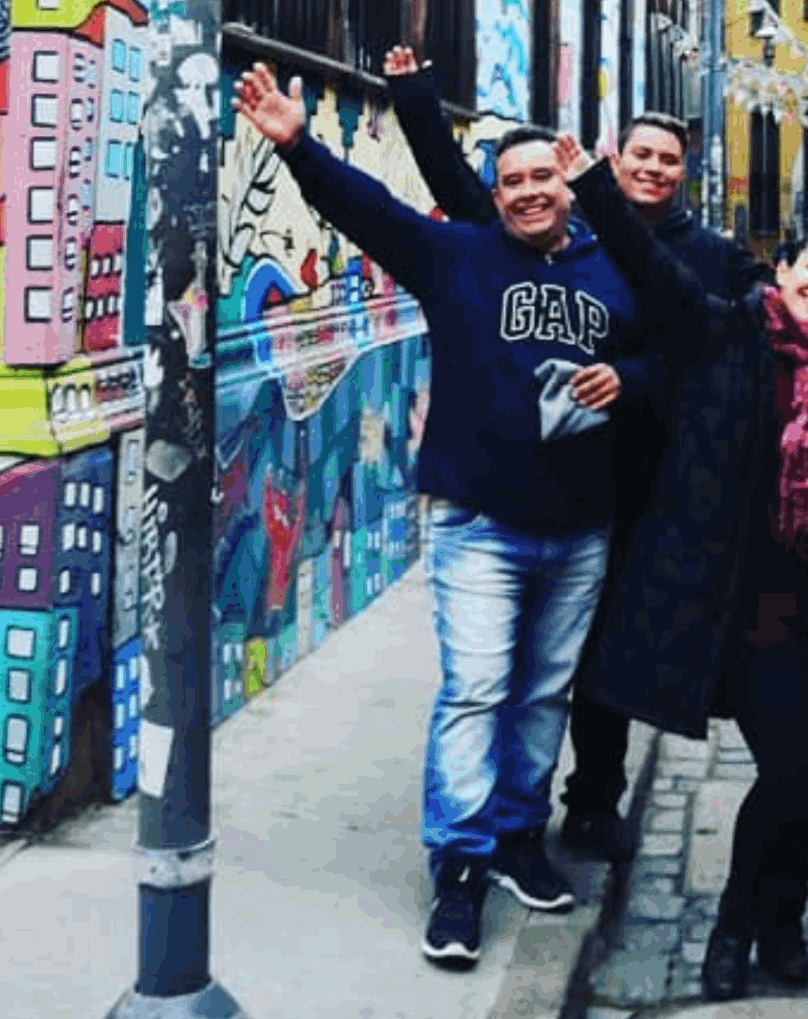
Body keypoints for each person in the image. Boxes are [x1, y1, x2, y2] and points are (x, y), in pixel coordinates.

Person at [233, 64, 654, 973]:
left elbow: (671, 347)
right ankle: (459, 867)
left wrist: (629, 378)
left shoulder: (614, 266)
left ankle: (518, 837)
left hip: (582, 525)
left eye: (544, 177)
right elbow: (374, 211)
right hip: (480, 524)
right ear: (494, 196)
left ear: (569, 186)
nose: (530, 192)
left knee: (544, 693)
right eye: (513, 182)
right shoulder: (458, 255)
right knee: (476, 689)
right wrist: (300, 146)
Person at [557, 132, 808, 1002]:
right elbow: (654, 271)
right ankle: (736, 928)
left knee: (805, 775)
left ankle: (781, 924)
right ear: (782, 273)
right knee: (787, 769)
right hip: (743, 601)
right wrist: (594, 186)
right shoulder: (726, 331)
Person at [380, 50, 760, 864]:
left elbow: (716, 341)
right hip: (563, 476)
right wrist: (415, 101)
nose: (654, 168)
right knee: (515, 667)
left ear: (685, 173)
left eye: (669, 159)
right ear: (610, 163)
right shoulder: (566, 231)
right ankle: (509, 816)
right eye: (641, 155)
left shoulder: (708, 254)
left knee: (599, 656)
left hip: (652, 480)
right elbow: (464, 196)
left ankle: (588, 800)